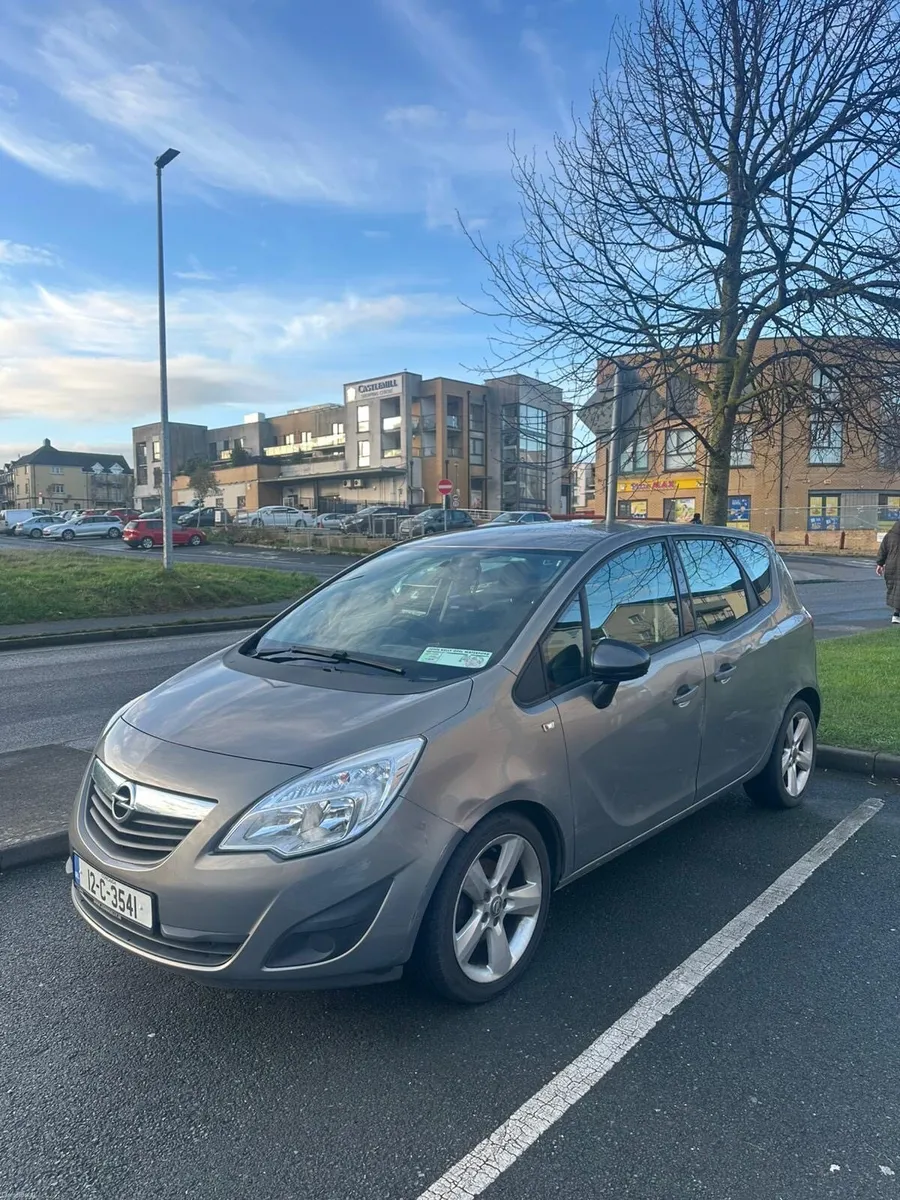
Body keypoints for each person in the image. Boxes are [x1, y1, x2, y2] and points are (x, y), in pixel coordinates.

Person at [875, 519, 900, 624]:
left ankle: (896, 614)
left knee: (895, 589)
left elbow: (883, 550)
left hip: (891, 567)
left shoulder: (890, 535)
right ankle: (897, 614)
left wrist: (880, 564)